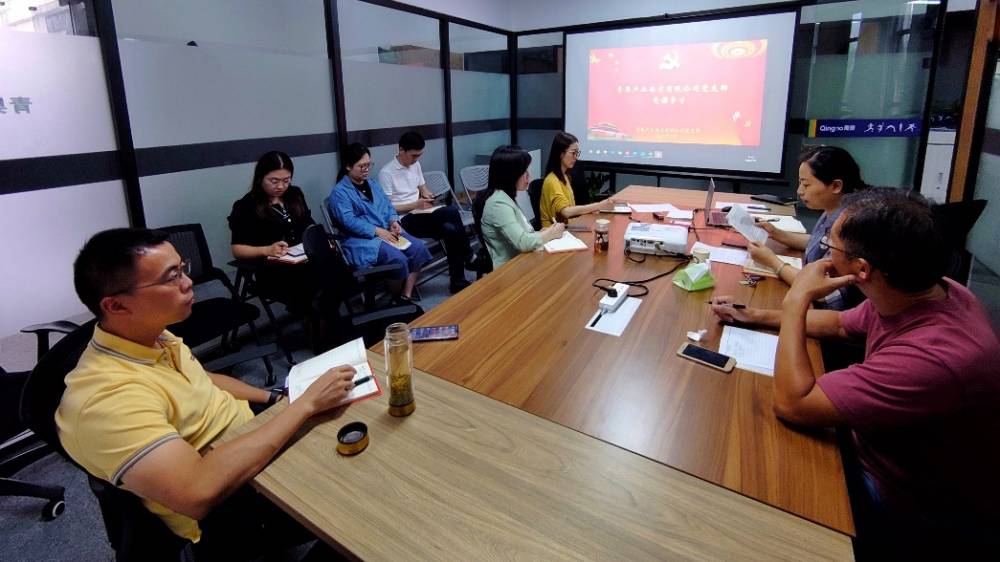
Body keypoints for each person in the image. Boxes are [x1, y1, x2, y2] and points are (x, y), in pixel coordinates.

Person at [711, 189, 1000, 557]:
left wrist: (797, 299)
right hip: (881, 441)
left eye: (830, 244)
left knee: (748, 476)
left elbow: (793, 403)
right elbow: (840, 324)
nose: (824, 250)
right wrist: (755, 316)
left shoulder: (931, 360)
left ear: (862, 269)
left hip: (907, 495)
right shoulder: (924, 290)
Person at [57, 228, 358, 559]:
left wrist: (273, 398)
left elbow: (202, 380)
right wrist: (304, 406)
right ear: (116, 305)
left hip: (252, 434)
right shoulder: (104, 401)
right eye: (171, 277)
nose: (188, 282)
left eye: (181, 268)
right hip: (231, 500)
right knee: (364, 499)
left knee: (357, 423)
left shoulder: (153, 335)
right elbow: (198, 492)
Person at [748, 145, 866, 309]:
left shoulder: (850, 224)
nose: (799, 191)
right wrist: (776, 233)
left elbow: (818, 288)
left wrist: (771, 261)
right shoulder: (835, 208)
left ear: (836, 186)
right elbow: (818, 242)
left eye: (806, 185)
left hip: (829, 311)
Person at [329, 142, 431, 302]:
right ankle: (396, 297)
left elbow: (388, 206)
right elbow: (348, 221)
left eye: (368, 165)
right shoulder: (339, 193)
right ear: (348, 166)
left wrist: (393, 221)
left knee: (418, 248)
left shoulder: (373, 184)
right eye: (361, 166)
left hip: (385, 232)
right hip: (360, 239)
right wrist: (377, 231)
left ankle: (406, 294)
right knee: (398, 259)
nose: (366, 169)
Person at [377, 131, 471, 294]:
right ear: (401, 150)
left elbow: (423, 189)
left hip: (421, 214)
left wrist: (428, 196)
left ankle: (457, 281)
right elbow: (388, 208)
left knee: (450, 229)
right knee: (451, 211)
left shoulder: (415, 165)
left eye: (419, 155)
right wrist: (416, 204)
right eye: (414, 155)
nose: (417, 159)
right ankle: (469, 255)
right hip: (403, 220)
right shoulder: (386, 173)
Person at [228, 151, 317, 314]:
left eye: (286, 180)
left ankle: (323, 320)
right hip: (273, 269)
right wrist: (267, 250)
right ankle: (316, 321)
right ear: (260, 178)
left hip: (303, 259)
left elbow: (308, 223)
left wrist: (317, 238)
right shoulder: (246, 206)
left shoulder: (294, 195)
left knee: (335, 269)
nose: (281, 186)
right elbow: (237, 250)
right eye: (274, 181)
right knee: (312, 280)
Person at [474, 145, 565, 269]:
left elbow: (521, 233)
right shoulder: (498, 204)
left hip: (522, 260)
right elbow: (522, 242)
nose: (529, 176)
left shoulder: (505, 196)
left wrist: (542, 233)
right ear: (511, 174)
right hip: (509, 269)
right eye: (524, 172)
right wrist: (551, 233)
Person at [539, 131, 614, 227]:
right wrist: (599, 205)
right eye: (573, 153)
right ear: (561, 154)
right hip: (556, 233)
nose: (576, 157)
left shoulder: (565, 177)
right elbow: (566, 212)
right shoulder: (551, 181)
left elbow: (570, 213)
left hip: (569, 228)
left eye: (577, 153)